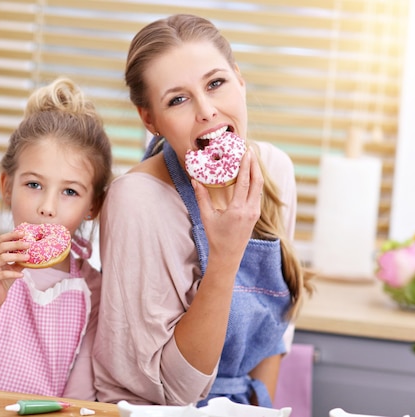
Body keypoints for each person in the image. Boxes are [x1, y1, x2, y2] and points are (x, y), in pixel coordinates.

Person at [92, 14, 314, 407]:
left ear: (240, 81)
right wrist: (224, 258)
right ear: (150, 120)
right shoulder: (137, 200)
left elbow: (275, 336)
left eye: (216, 83)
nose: (207, 110)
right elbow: (174, 391)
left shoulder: (276, 170)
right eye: (177, 99)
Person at [0, 77, 113, 401]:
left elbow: (76, 404)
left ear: (93, 206)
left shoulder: (96, 291)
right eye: (33, 185)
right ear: (7, 186)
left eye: (70, 192)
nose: (47, 208)